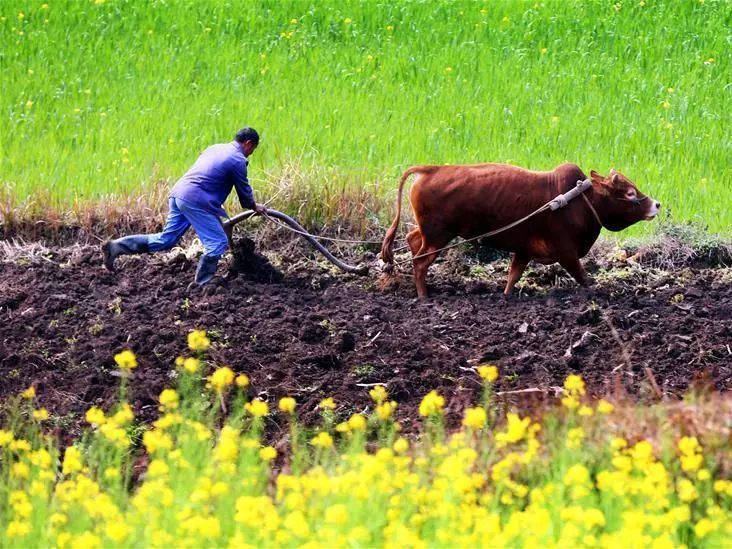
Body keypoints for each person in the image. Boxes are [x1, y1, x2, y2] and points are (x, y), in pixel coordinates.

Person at [102, 127, 266, 285]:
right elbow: (244, 195)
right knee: (217, 242)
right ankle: (203, 283)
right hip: (195, 199)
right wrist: (254, 206)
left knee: (166, 240)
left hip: (179, 193)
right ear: (248, 143)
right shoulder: (238, 160)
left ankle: (116, 246)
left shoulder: (216, 148)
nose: (251, 153)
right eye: (253, 149)